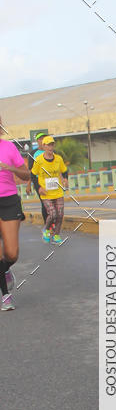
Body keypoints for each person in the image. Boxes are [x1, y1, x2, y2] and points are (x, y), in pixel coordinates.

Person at [0, 119, 31, 310]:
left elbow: (26, 175)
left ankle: (6, 270)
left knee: (11, 253)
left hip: (9, 200)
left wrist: (9, 168)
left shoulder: (9, 147)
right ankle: (6, 297)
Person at [33, 136, 67, 244]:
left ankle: (56, 235)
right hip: (46, 193)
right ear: (44, 146)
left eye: (52, 144)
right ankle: (46, 230)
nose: (50, 147)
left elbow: (64, 170)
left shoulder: (58, 159)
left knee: (60, 214)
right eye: (48, 145)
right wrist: (39, 188)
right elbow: (33, 175)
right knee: (53, 214)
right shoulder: (39, 160)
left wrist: (65, 179)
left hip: (58, 192)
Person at [25, 132, 48, 224]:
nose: (42, 140)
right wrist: (28, 185)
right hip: (38, 181)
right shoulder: (33, 153)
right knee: (45, 203)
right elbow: (31, 170)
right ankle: (48, 225)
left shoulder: (51, 151)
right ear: (37, 141)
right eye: (40, 139)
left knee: (54, 203)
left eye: (44, 138)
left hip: (51, 180)